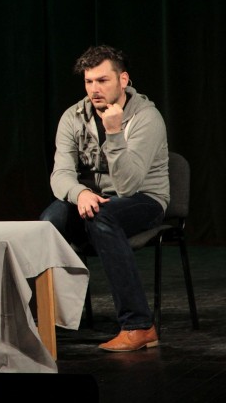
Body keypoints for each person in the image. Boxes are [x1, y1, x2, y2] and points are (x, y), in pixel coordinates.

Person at [40, 44, 169, 352]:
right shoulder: (73, 117)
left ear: (123, 80)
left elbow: (127, 186)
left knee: (103, 217)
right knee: (48, 222)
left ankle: (139, 326)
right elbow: (60, 175)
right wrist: (81, 192)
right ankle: (42, 320)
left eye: (102, 80)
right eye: (89, 81)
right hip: (92, 200)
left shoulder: (146, 117)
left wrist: (113, 133)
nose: (94, 89)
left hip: (144, 199)